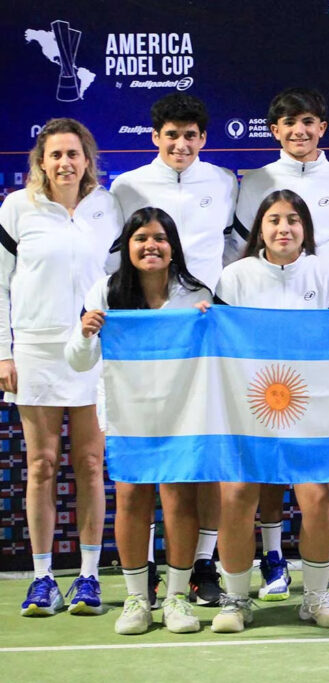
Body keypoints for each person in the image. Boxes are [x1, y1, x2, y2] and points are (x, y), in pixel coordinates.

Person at [229, 87, 329, 603]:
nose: (299, 130)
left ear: (322, 127)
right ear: (275, 130)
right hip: (261, 361)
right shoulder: (255, 182)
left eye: (308, 121)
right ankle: (272, 559)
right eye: (288, 122)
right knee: (262, 467)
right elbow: (239, 252)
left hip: (327, 342)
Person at [111, 93, 237, 606]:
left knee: (203, 461)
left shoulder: (224, 182)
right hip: (142, 344)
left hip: (205, 332)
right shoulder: (126, 186)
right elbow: (117, 262)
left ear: (203, 138)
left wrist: (221, 308)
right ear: (154, 137)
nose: (181, 144)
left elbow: (233, 251)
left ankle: (202, 564)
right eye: (171, 135)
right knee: (142, 473)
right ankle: (144, 580)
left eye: (190, 135)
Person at [210, 189, 329, 633]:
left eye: (293, 219)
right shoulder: (234, 277)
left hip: (311, 406)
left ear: (305, 228)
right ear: (260, 229)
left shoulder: (326, 274)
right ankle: (236, 599)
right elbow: (217, 342)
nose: (283, 228)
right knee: (236, 496)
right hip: (247, 406)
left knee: (318, 496)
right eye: (274, 219)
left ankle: (316, 595)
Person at [65, 207, 210, 633]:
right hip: (126, 412)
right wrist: (85, 333)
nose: (151, 246)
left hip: (182, 411)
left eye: (160, 238)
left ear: (173, 247)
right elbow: (77, 362)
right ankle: (137, 598)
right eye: (141, 238)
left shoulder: (196, 293)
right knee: (130, 497)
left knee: (179, 498)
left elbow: (215, 355)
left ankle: (177, 597)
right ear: (127, 247)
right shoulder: (105, 291)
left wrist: (210, 322)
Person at [0, 118, 122, 617]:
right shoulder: (16, 208)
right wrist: (3, 351)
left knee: (91, 464)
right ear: (41, 162)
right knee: (41, 465)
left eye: (73, 154)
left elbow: (119, 282)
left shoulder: (108, 208)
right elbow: (0, 284)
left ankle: (89, 577)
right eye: (56, 155)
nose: (65, 163)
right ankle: (43, 578)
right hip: (35, 349)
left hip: (93, 349)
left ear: (87, 160)